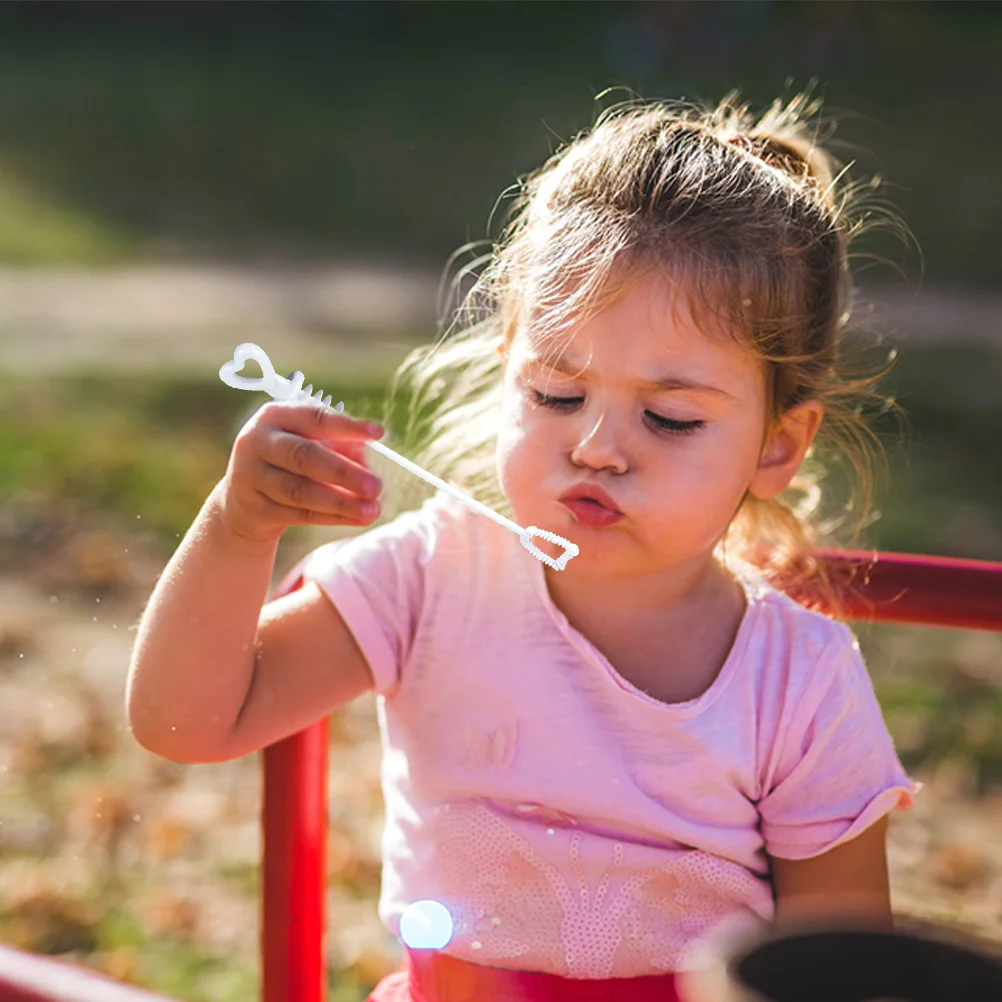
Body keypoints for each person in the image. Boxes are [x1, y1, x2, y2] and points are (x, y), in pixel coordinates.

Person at [126, 91, 921, 1002]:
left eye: (669, 417)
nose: (597, 447)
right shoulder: (433, 578)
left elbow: (842, 975)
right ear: (508, 363)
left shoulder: (799, 681)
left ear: (777, 445)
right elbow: (186, 723)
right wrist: (238, 526)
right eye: (554, 395)